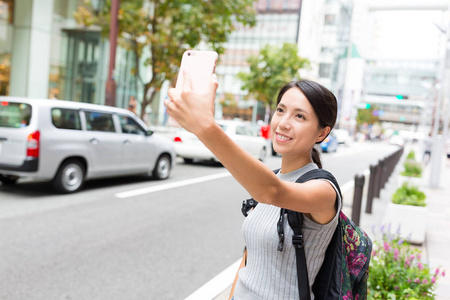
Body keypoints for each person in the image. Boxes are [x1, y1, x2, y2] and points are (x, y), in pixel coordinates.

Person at [166, 74, 340, 299]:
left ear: (322, 133)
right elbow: (249, 257)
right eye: (280, 110)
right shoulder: (271, 177)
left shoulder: (323, 191)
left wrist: (206, 128)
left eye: (299, 116)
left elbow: (272, 192)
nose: (283, 123)